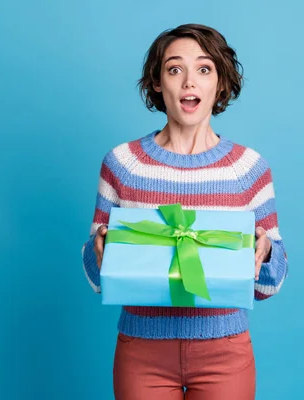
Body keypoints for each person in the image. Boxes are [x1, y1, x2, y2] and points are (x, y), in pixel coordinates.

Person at [82, 23, 288, 400]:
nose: (189, 82)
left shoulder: (249, 168)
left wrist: (266, 253)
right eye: (175, 69)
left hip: (225, 351)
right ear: (158, 83)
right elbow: (96, 278)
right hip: (142, 352)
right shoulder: (123, 163)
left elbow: (269, 285)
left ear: (221, 84)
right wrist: (99, 250)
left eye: (204, 69)